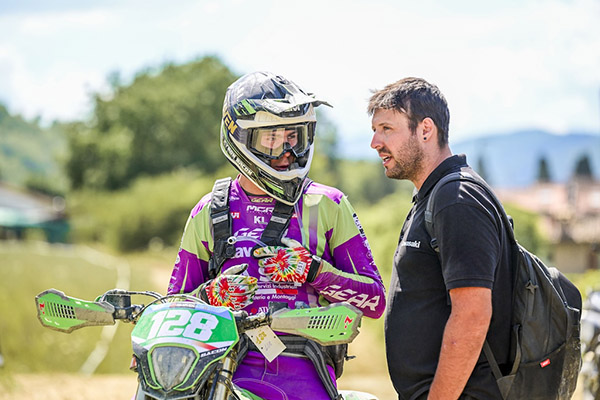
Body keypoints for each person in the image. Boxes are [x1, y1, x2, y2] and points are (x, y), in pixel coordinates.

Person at [168, 71, 386, 400]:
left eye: (294, 136)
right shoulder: (210, 211)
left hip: (309, 373)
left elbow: (375, 302)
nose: (287, 151)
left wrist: (315, 271)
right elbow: (170, 311)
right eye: (271, 138)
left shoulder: (328, 204)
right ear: (240, 137)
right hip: (226, 375)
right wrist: (210, 296)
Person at [368, 77, 512, 400]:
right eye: (374, 130)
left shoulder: (456, 198)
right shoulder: (434, 196)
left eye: (387, 129)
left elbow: (472, 316)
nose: (375, 142)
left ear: (425, 130)